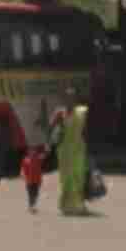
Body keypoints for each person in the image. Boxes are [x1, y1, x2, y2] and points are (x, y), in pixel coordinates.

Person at [50, 87, 90, 216]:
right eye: (67, 98)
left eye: (72, 97)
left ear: (75, 99)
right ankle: (66, 205)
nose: (69, 100)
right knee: (66, 178)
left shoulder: (82, 111)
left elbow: (86, 130)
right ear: (64, 99)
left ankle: (79, 205)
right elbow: (51, 127)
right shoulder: (60, 113)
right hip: (64, 150)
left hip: (78, 149)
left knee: (78, 177)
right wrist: (56, 124)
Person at [20, 145, 46, 213]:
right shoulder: (26, 159)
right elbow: (23, 169)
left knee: (36, 194)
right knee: (31, 194)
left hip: (36, 180)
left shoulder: (38, 158)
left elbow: (44, 155)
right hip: (29, 181)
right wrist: (23, 176)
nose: (32, 151)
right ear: (28, 151)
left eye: (34, 150)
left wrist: (46, 148)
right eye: (31, 150)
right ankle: (31, 206)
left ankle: (33, 205)